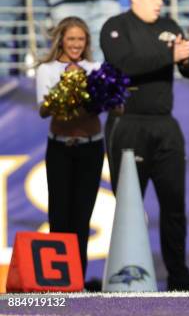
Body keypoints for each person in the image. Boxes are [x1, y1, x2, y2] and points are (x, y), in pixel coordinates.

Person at [101, 0, 189, 291]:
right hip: (128, 123)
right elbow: (123, 63)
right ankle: (124, 272)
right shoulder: (116, 27)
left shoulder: (169, 27)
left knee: (174, 204)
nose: (160, 3)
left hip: (164, 124)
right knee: (128, 203)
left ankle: (179, 274)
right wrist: (170, 55)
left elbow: (188, 69)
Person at [36, 17, 103, 283]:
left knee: (82, 218)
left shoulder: (95, 68)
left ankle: (77, 282)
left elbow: (112, 106)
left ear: (87, 42)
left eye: (81, 39)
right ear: (61, 39)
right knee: (60, 217)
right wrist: (66, 86)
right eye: (71, 38)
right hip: (60, 149)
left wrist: (106, 94)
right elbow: (43, 110)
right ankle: (59, 281)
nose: (76, 44)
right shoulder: (47, 69)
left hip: (92, 148)